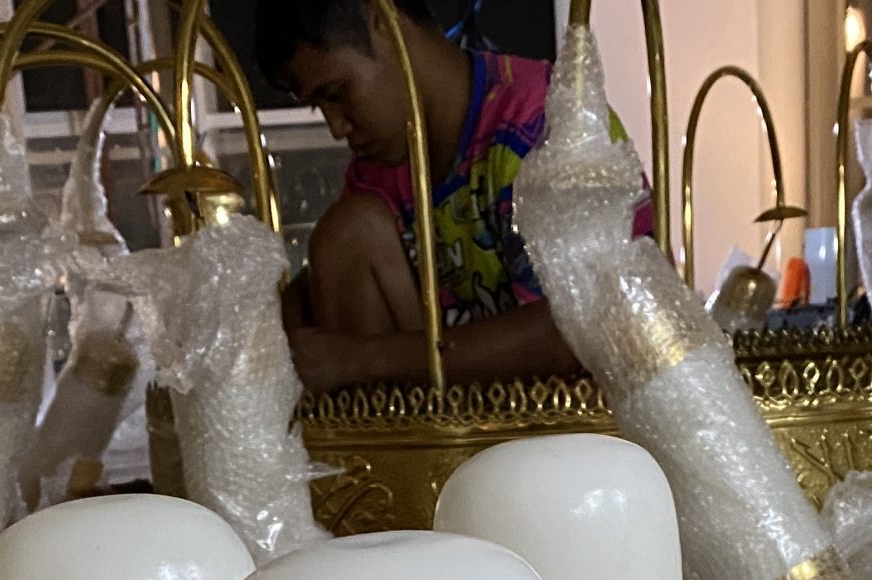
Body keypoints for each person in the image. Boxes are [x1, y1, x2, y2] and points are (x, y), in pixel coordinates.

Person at [254, 0, 655, 393]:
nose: (336, 127)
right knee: (344, 236)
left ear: (384, 22)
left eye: (337, 92)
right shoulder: (379, 170)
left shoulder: (544, 120)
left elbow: (579, 330)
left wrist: (362, 361)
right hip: (462, 416)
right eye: (319, 107)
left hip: (593, 420)